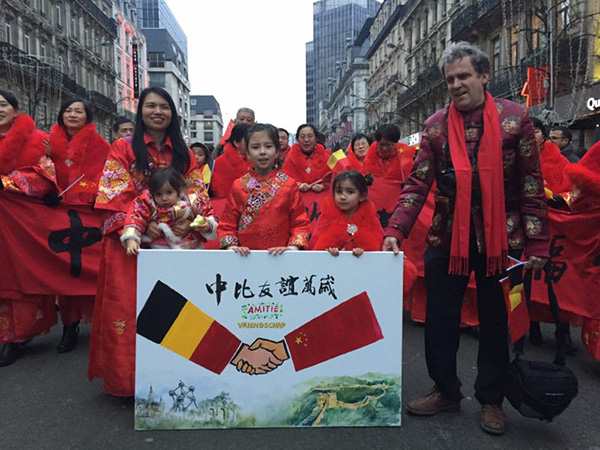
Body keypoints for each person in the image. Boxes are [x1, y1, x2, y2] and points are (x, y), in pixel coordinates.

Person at [383, 42, 549, 435]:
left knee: (496, 321)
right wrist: (396, 230)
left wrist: (537, 241)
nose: (456, 85)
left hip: (502, 240)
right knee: (440, 319)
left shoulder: (516, 118)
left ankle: (492, 398)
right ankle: (445, 389)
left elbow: (531, 183)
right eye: (450, 79)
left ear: (484, 75)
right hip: (446, 237)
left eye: (464, 76)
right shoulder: (435, 126)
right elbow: (417, 183)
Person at [90, 86, 206, 396]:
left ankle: (178, 379)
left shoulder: (183, 152)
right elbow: (113, 194)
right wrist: (144, 223)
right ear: (140, 111)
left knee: (178, 308)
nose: (158, 112)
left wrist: (186, 218)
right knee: (128, 309)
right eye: (150, 106)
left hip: (175, 243)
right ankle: (129, 384)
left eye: (164, 107)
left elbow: (198, 194)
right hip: (132, 245)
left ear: (173, 113)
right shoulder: (123, 147)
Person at [47, 98, 110, 353]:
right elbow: (40, 170)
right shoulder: (46, 142)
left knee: (94, 272)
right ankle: (68, 325)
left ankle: (102, 327)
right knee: (64, 272)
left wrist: (97, 197)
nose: (72, 115)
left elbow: (108, 175)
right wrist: (46, 190)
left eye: (79, 111)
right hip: (57, 212)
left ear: (88, 117)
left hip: (88, 213)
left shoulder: (101, 145)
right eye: (68, 111)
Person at [0, 90, 57, 366]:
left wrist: (8, 183)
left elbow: (46, 175)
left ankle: (15, 336)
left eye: (2, 105)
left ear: (15, 109)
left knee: (18, 275)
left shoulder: (37, 140)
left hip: (18, 219)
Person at [218, 123, 310, 254]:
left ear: (277, 151)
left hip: (281, 258)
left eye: (268, 146)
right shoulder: (239, 185)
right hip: (245, 258)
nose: (262, 152)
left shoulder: (289, 184)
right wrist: (233, 247)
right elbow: (228, 224)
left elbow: (300, 223)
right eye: (255, 147)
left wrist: (292, 248)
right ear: (247, 153)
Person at [122, 167, 217, 253]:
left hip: (191, 248)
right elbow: (135, 216)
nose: (164, 198)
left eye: (169, 192)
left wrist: (207, 226)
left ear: (178, 190)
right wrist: (131, 239)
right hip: (159, 249)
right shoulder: (147, 201)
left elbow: (208, 214)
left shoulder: (192, 199)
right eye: (158, 194)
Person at [282, 124, 331, 192]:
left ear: (316, 138)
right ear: (297, 139)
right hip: (297, 199)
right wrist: (298, 185)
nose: (306, 140)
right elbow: (284, 180)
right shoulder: (290, 158)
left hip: (322, 199)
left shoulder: (326, 156)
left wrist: (323, 186)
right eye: (302, 137)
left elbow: (333, 179)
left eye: (310, 136)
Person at [210, 124, 253, 198]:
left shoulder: (253, 159)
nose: (251, 143)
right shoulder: (220, 162)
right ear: (236, 143)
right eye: (247, 140)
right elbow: (220, 191)